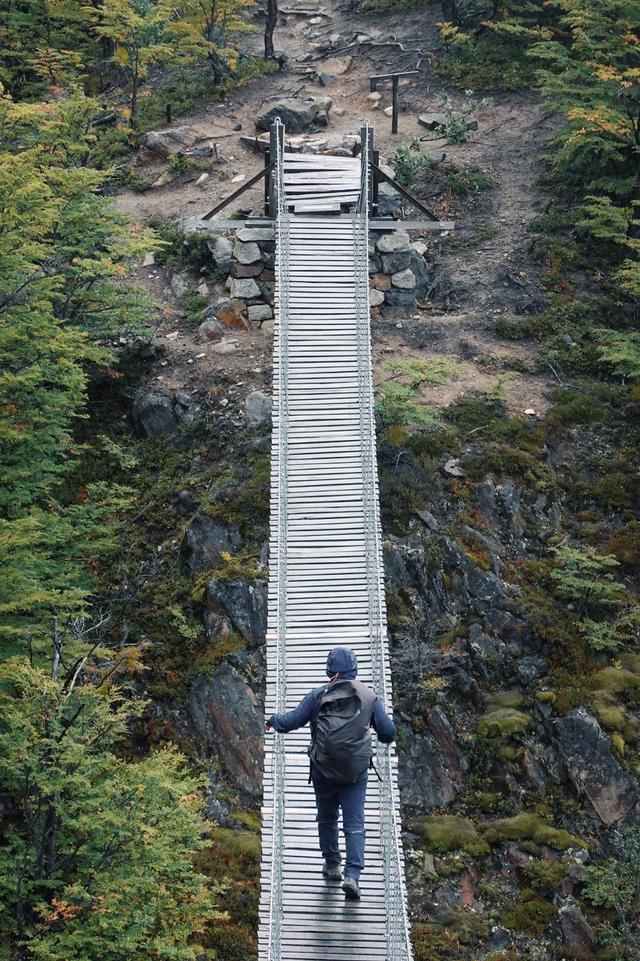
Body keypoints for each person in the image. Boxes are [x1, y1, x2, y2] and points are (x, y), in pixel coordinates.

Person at [265, 646, 396, 900]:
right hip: (355, 772)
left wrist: (273, 721)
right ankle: (353, 875)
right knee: (354, 823)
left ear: (330, 671)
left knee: (327, 817)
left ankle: (332, 864)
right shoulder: (369, 697)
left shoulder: (317, 696)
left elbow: (293, 721)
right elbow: (388, 732)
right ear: (354, 669)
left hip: (323, 768)